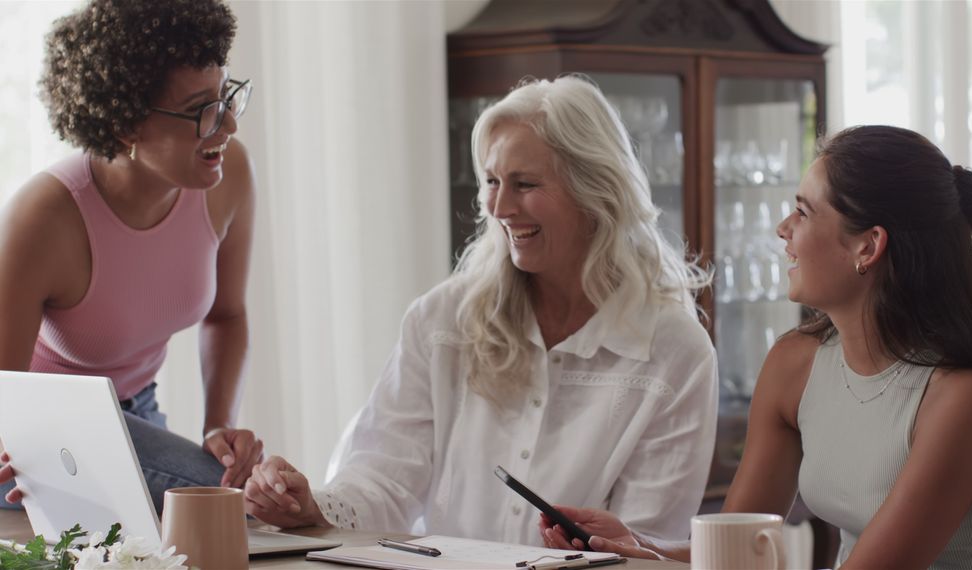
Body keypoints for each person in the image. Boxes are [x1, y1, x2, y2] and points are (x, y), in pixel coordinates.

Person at [540, 125, 972, 569]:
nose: (783, 230)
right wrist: (637, 545)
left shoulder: (962, 399)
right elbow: (735, 549)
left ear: (868, 246)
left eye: (803, 212)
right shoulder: (796, 364)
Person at [243, 75, 718, 546]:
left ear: (593, 191)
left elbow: (648, 540)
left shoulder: (675, 352)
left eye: (525, 184)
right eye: (492, 181)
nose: (500, 206)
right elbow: (384, 478)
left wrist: (607, 549)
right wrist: (311, 506)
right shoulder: (440, 321)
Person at [0, 0, 262, 514]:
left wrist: (218, 426)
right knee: (234, 502)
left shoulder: (228, 176)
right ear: (125, 125)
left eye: (226, 96)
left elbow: (227, 315)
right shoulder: (43, 218)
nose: (228, 125)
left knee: (237, 497)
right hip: (38, 435)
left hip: (140, 412)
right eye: (202, 110)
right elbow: (4, 394)